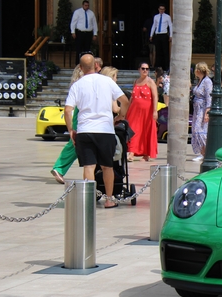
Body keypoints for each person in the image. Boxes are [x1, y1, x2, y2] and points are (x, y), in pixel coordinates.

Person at [64, 54, 129, 209]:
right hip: (105, 130)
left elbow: (68, 110)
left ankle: (88, 200)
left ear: (80, 68)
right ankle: (109, 199)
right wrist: (121, 115)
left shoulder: (77, 85)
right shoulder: (107, 81)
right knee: (107, 166)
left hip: (85, 129)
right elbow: (125, 100)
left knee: (89, 166)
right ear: (96, 66)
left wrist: (71, 130)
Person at [51, 57, 103, 184]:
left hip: (82, 114)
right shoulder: (86, 79)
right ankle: (59, 167)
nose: (99, 68)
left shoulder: (85, 78)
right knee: (75, 143)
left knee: (77, 142)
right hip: (82, 114)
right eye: (98, 66)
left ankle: (59, 168)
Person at [126, 62, 158, 162]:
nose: (145, 71)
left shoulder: (150, 82)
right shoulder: (136, 81)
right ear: (139, 69)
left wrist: (155, 111)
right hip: (134, 111)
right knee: (133, 130)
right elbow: (132, 97)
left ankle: (146, 154)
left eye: (147, 69)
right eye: (143, 68)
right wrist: (127, 109)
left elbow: (155, 96)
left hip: (147, 112)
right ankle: (132, 152)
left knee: (145, 131)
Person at [191, 62, 213, 160]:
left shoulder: (207, 81)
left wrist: (207, 112)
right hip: (197, 109)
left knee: (199, 129)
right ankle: (202, 152)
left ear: (198, 71)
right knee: (196, 130)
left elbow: (209, 97)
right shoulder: (199, 81)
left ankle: (206, 151)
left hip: (203, 108)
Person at [149, 4, 172, 71]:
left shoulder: (167, 17)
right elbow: (154, 26)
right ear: (158, 9)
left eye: (163, 9)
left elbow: (170, 26)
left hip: (164, 34)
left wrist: (170, 36)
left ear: (164, 10)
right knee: (158, 51)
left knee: (165, 51)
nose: (161, 10)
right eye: (160, 9)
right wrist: (151, 35)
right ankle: (157, 66)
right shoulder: (156, 17)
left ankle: (166, 67)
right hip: (157, 34)